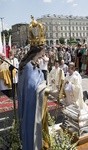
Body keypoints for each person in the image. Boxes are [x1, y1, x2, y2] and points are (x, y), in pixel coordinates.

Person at [18, 17, 50, 150]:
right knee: (32, 130)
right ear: (38, 50)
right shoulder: (29, 67)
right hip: (32, 107)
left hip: (37, 104)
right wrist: (46, 89)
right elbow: (32, 88)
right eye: (44, 49)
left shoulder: (33, 64)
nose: (45, 51)